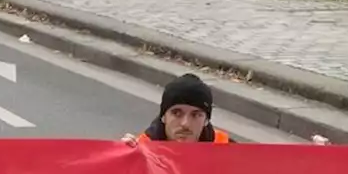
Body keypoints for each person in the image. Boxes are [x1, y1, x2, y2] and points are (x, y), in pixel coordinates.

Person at [122, 73, 330, 146]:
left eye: (196, 115)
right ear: (163, 117)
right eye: (177, 113)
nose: (185, 123)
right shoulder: (140, 150)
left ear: (206, 120)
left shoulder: (223, 148)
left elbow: (271, 172)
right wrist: (117, 158)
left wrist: (315, 159)